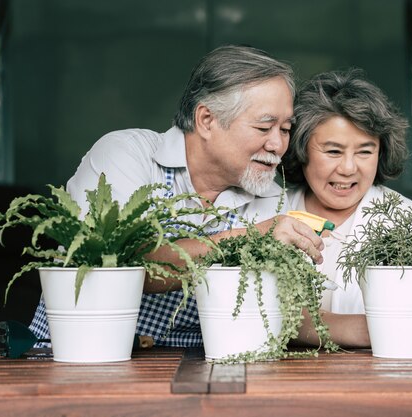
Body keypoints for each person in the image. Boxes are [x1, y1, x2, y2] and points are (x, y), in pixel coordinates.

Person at [29, 45, 324, 347]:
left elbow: (255, 313)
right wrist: (248, 238)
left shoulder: (271, 197)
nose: (278, 144)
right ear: (207, 120)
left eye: (286, 129)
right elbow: (120, 266)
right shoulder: (127, 155)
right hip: (79, 354)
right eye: (264, 127)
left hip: (198, 369)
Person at [283, 69, 412, 348]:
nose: (348, 169)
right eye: (333, 151)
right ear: (301, 148)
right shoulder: (266, 210)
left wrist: (296, 322)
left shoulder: (405, 218)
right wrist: (352, 328)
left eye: (365, 151)